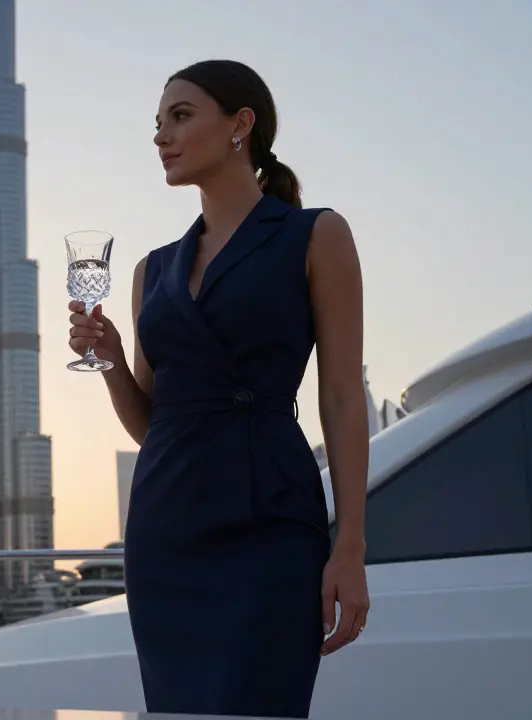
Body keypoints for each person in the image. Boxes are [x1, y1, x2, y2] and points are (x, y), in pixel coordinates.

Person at [68, 59, 370, 717]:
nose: (160, 136)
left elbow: (344, 395)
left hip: (271, 524)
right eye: (157, 123)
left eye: (180, 116)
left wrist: (350, 543)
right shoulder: (152, 270)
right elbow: (155, 425)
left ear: (240, 126)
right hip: (165, 533)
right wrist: (114, 360)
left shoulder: (315, 234)